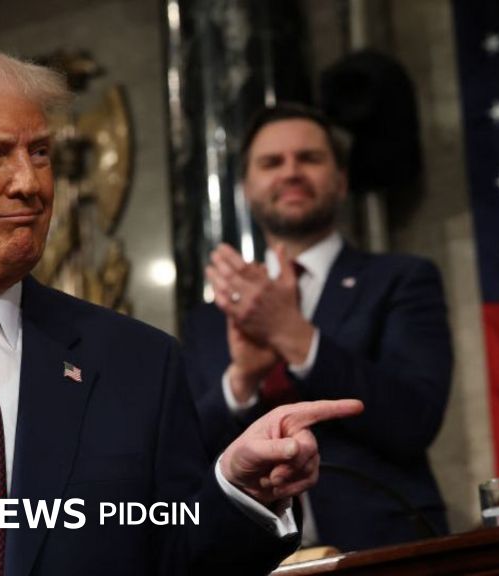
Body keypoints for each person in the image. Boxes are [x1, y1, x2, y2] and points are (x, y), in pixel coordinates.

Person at [0, 39, 364, 576]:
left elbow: (177, 557)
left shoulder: (137, 365)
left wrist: (241, 493)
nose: (31, 183)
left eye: (40, 153)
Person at [182, 103, 452, 551]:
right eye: (272, 162)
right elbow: (186, 458)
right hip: (250, 557)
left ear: (341, 180)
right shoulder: (208, 320)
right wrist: (242, 380)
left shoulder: (402, 279)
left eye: (308, 158)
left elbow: (414, 420)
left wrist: (296, 337)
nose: (291, 172)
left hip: (385, 549)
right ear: (246, 189)